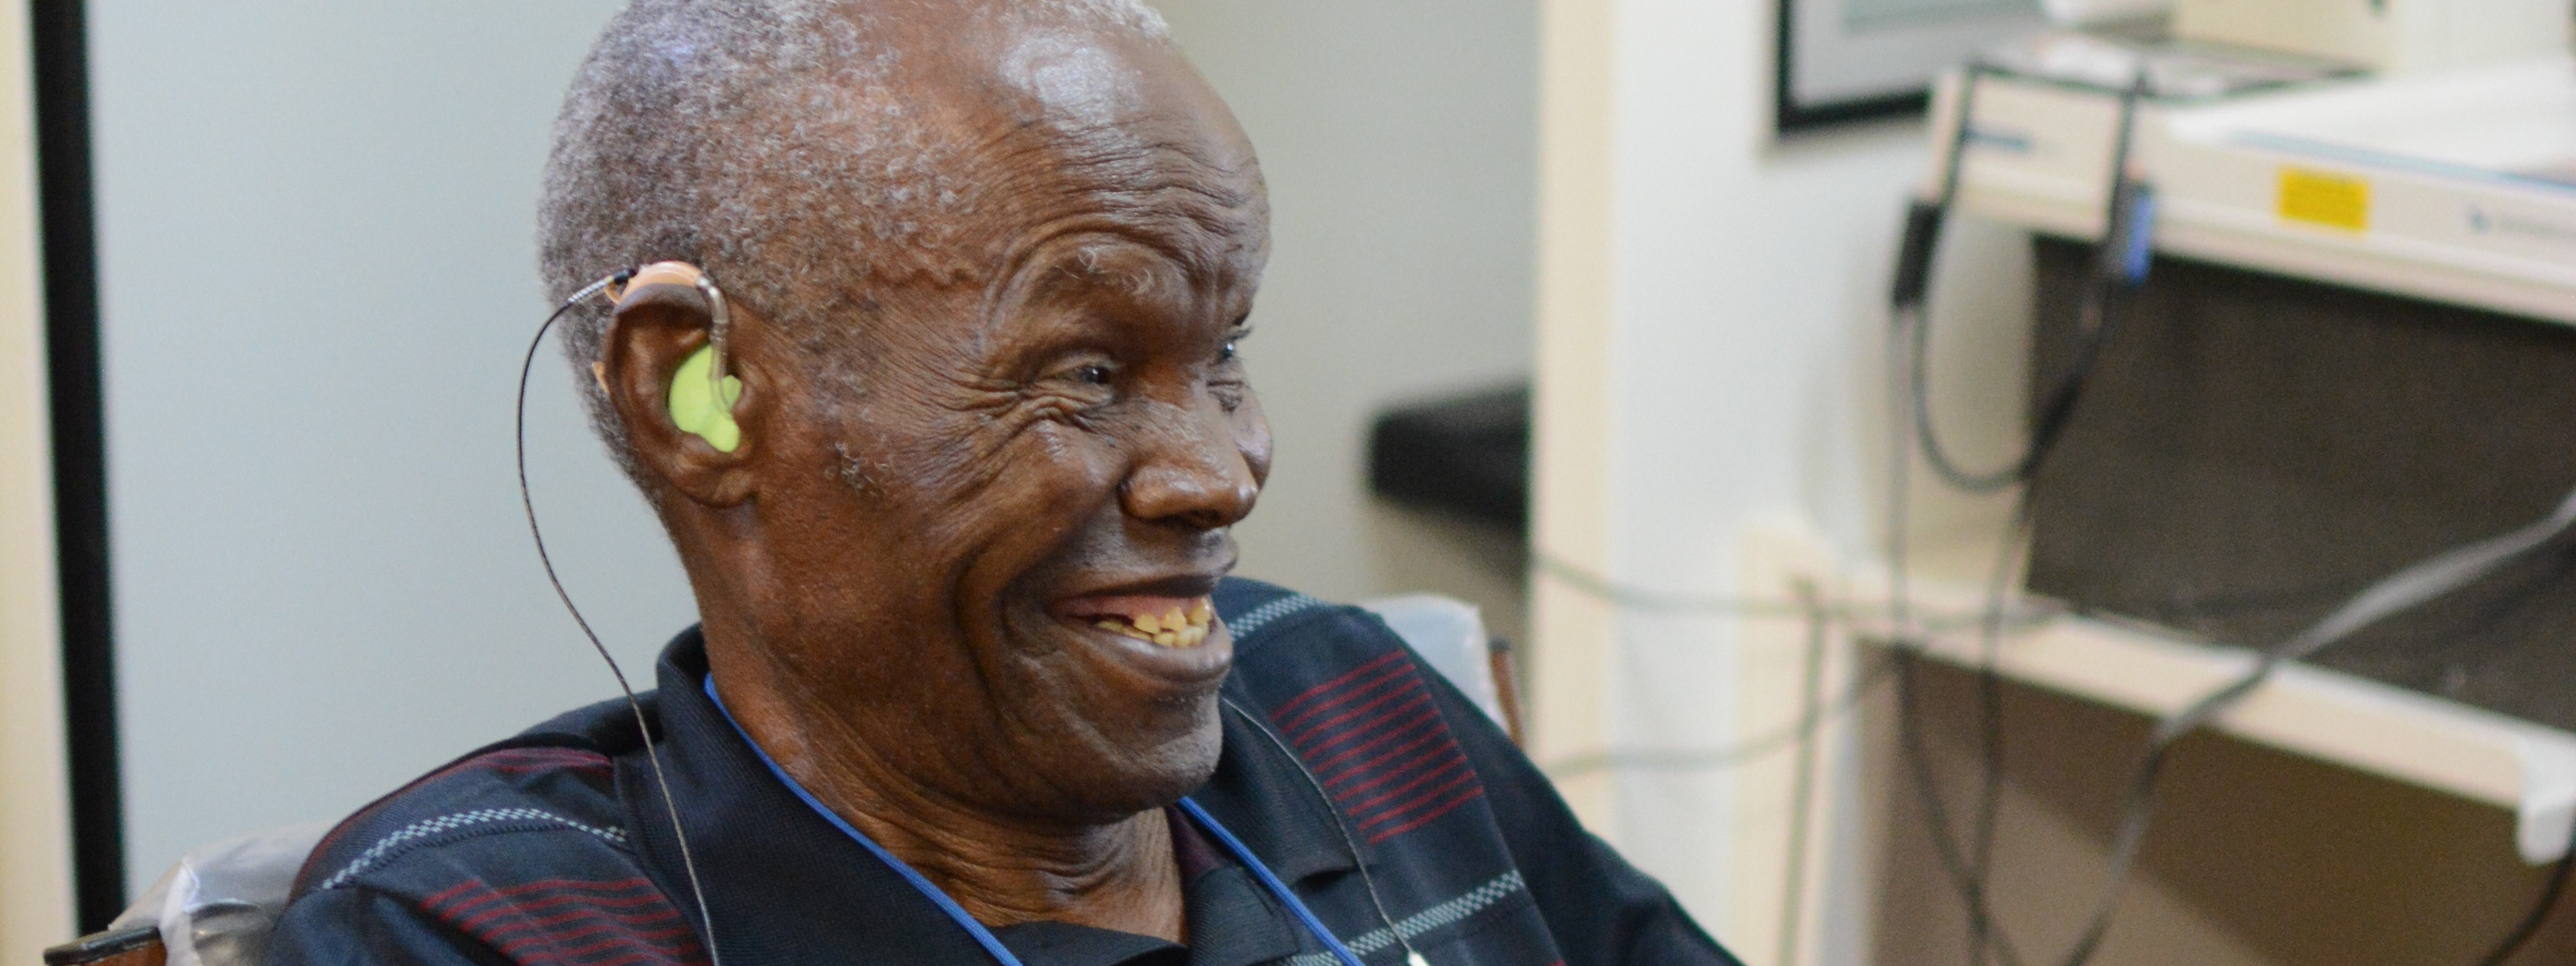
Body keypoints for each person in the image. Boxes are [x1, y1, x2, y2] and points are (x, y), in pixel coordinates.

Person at [265, 2, 1741, 964]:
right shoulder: (479, 930)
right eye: (1085, 373)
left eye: (1223, 351)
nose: (1221, 474)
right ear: (696, 401)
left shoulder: (1332, 695)